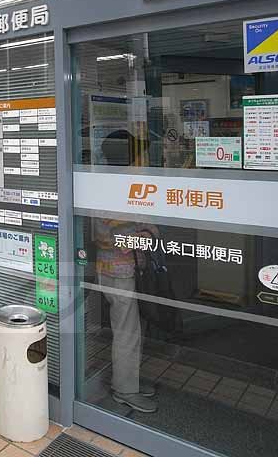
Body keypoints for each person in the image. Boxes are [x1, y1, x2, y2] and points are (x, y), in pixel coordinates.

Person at [95, 129, 158, 413]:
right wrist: (141, 236)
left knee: (130, 329)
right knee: (126, 331)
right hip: (118, 272)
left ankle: (128, 380)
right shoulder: (115, 185)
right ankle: (125, 389)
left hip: (119, 269)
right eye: (138, 151)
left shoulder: (110, 181)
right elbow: (103, 233)